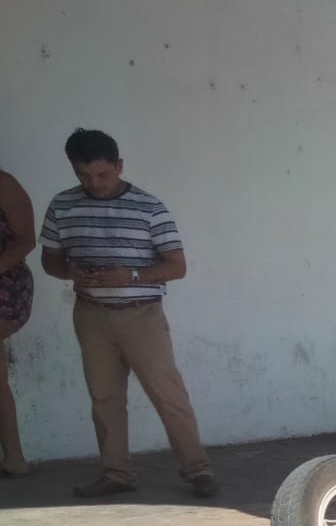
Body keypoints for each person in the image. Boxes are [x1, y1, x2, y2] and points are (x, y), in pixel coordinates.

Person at [40, 129, 216, 498]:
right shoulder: (62, 205)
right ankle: (116, 472)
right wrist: (71, 272)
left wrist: (132, 276)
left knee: (168, 394)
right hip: (91, 313)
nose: (95, 183)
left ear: (119, 165)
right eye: (84, 176)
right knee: (103, 397)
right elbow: (50, 260)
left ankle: (198, 469)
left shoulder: (149, 207)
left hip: (142, 314)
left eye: (104, 174)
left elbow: (177, 266)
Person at [0, 166, 35, 477]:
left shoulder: (4, 184)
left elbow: (25, 241)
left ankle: (15, 457)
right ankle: (14, 458)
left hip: (5, 285)